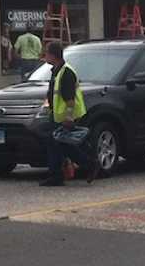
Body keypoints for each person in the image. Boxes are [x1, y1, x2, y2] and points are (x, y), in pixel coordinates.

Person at [40, 41, 99, 187]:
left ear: (54, 55)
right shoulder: (56, 70)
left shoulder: (66, 72)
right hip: (57, 115)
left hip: (66, 117)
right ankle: (87, 165)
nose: (44, 56)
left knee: (58, 143)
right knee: (61, 144)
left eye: (46, 53)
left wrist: (68, 117)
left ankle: (59, 175)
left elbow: (70, 99)